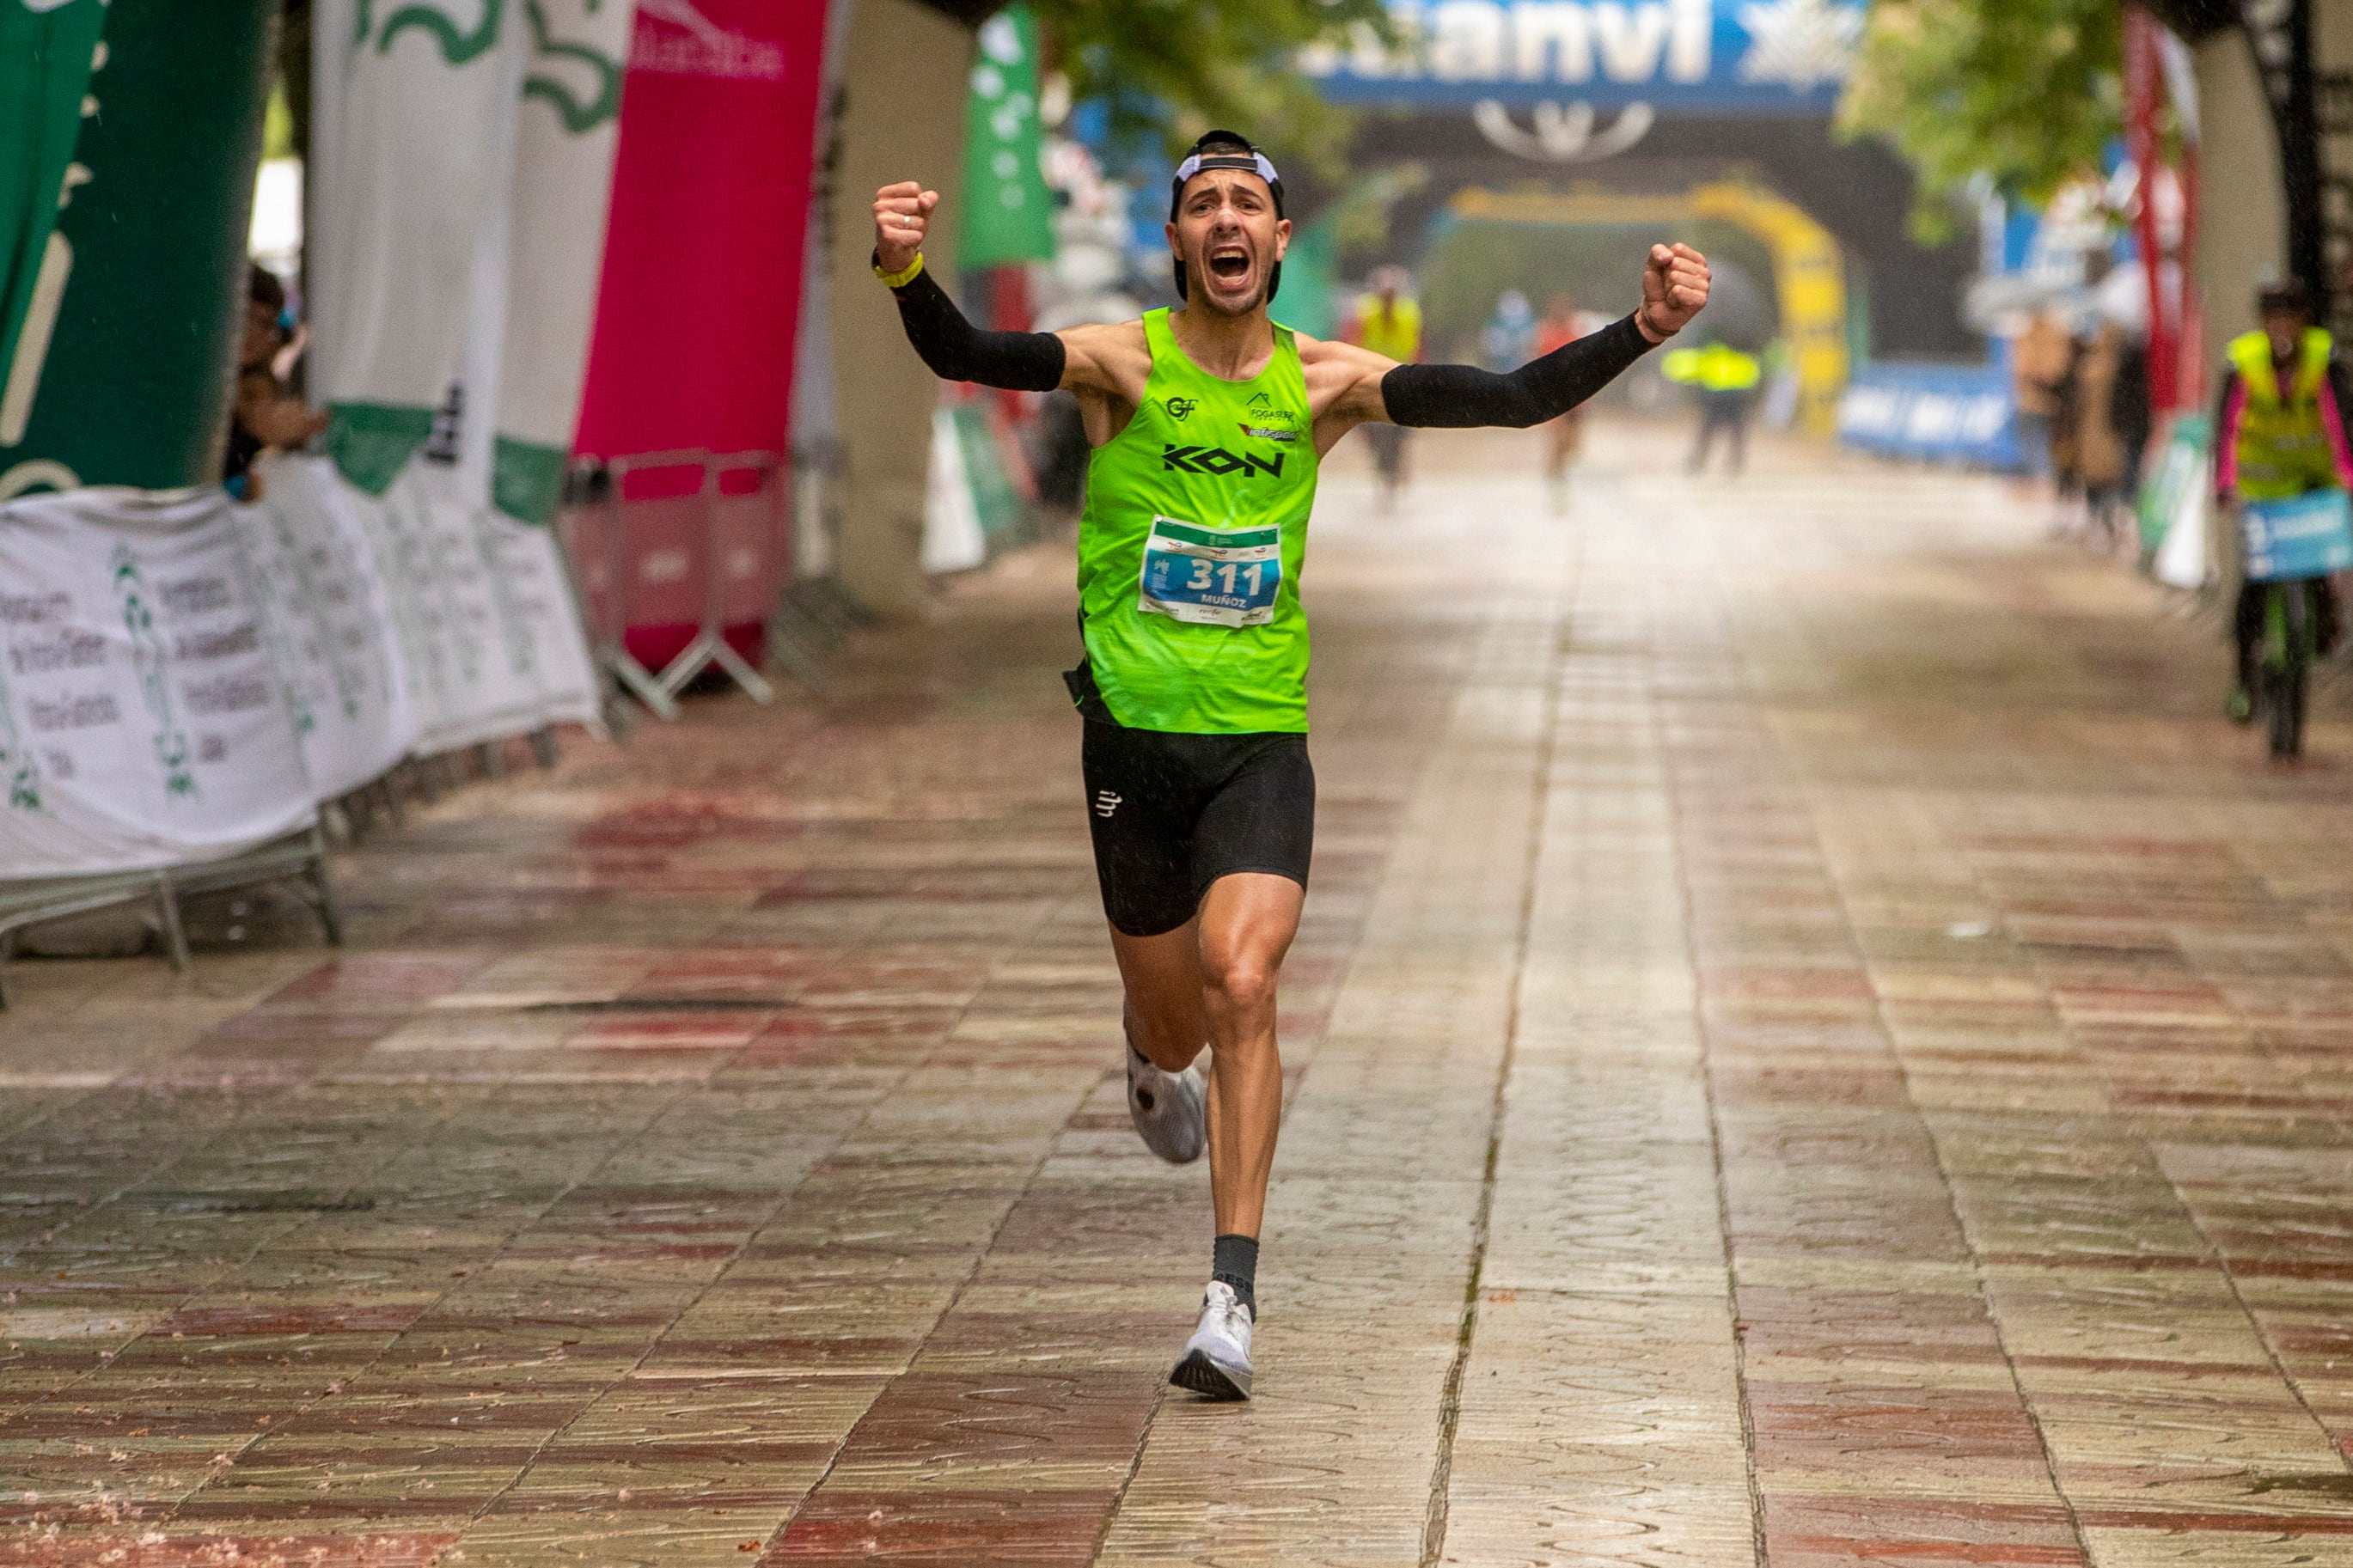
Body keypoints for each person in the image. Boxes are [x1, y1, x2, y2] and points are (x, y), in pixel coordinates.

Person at [870, 131, 1710, 1400]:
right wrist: (902, 268)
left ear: (1273, 239)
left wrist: (1639, 330)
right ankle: (1149, 1062)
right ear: (1175, 242)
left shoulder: (1325, 385)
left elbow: (1508, 397)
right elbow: (965, 353)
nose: (1224, 222)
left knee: (1241, 976)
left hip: (1260, 745)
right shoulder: (1117, 364)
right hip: (1130, 749)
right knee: (1172, 1018)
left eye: (1246, 206)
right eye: (1201, 204)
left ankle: (1230, 1300)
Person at [2215, 278, 2350, 722]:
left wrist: (2347, 476)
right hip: (2260, 491)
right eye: (2274, 318)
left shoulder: (2324, 362)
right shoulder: (2244, 363)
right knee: (2252, 589)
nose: (2282, 328)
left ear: (2304, 322)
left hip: (2311, 487)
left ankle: (2326, 633)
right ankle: (2243, 684)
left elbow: (2341, 422)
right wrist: (2225, 483)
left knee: (2319, 577)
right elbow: (2228, 427)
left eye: (2290, 318)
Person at [223, 265, 327, 503]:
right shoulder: (200, 389)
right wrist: (255, 438)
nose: (253, 333)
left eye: (266, 323)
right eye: (245, 318)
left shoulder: (258, 386)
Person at [1348, 266, 1422, 505]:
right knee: (1367, 428)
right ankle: (1383, 464)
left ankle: (1398, 466)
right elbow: (1355, 342)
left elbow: (1416, 346)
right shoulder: (1366, 312)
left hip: (1401, 376)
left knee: (1403, 428)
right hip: (1371, 377)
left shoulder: (1409, 313)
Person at [1663, 338, 1761, 474]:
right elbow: (1752, 379)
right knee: (1732, 433)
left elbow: (1691, 370)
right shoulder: (1743, 358)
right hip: (1733, 399)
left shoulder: (1715, 356)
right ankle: (1732, 463)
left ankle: (1702, 462)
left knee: (1711, 432)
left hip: (1721, 398)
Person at [1534, 293, 1589, 509]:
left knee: (1572, 446)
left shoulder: (1575, 332)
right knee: (1558, 442)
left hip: (1575, 398)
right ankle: (1557, 483)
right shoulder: (1545, 333)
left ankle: (1560, 476)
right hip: (1553, 397)